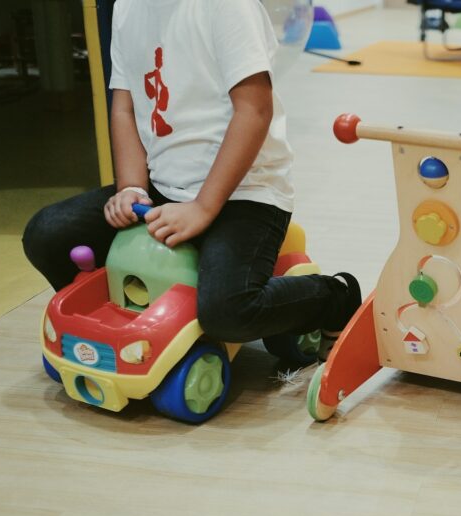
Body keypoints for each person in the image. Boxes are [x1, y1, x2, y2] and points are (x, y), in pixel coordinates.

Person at [23, 0, 360, 360]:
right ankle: (130, 316)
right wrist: (131, 187)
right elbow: (125, 106)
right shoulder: (126, 7)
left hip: (245, 193)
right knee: (46, 234)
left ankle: (334, 297)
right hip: (162, 187)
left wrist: (203, 206)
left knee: (227, 313)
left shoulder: (228, 7)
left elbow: (254, 109)